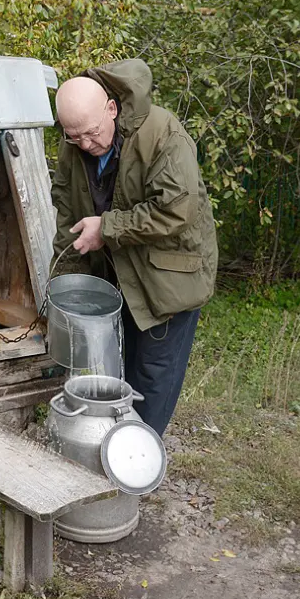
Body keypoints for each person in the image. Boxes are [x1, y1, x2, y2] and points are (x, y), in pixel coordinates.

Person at [50, 58, 218, 436]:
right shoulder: (75, 142)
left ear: (111, 108)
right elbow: (68, 220)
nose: (85, 144)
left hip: (168, 281)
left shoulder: (164, 135)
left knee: (152, 379)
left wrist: (107, 227)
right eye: (73, 136)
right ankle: (114, 449)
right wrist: (62, 286)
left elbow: (175, 211)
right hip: (119, 278)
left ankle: (137, 462)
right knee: (119, 370)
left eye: (91, 133)